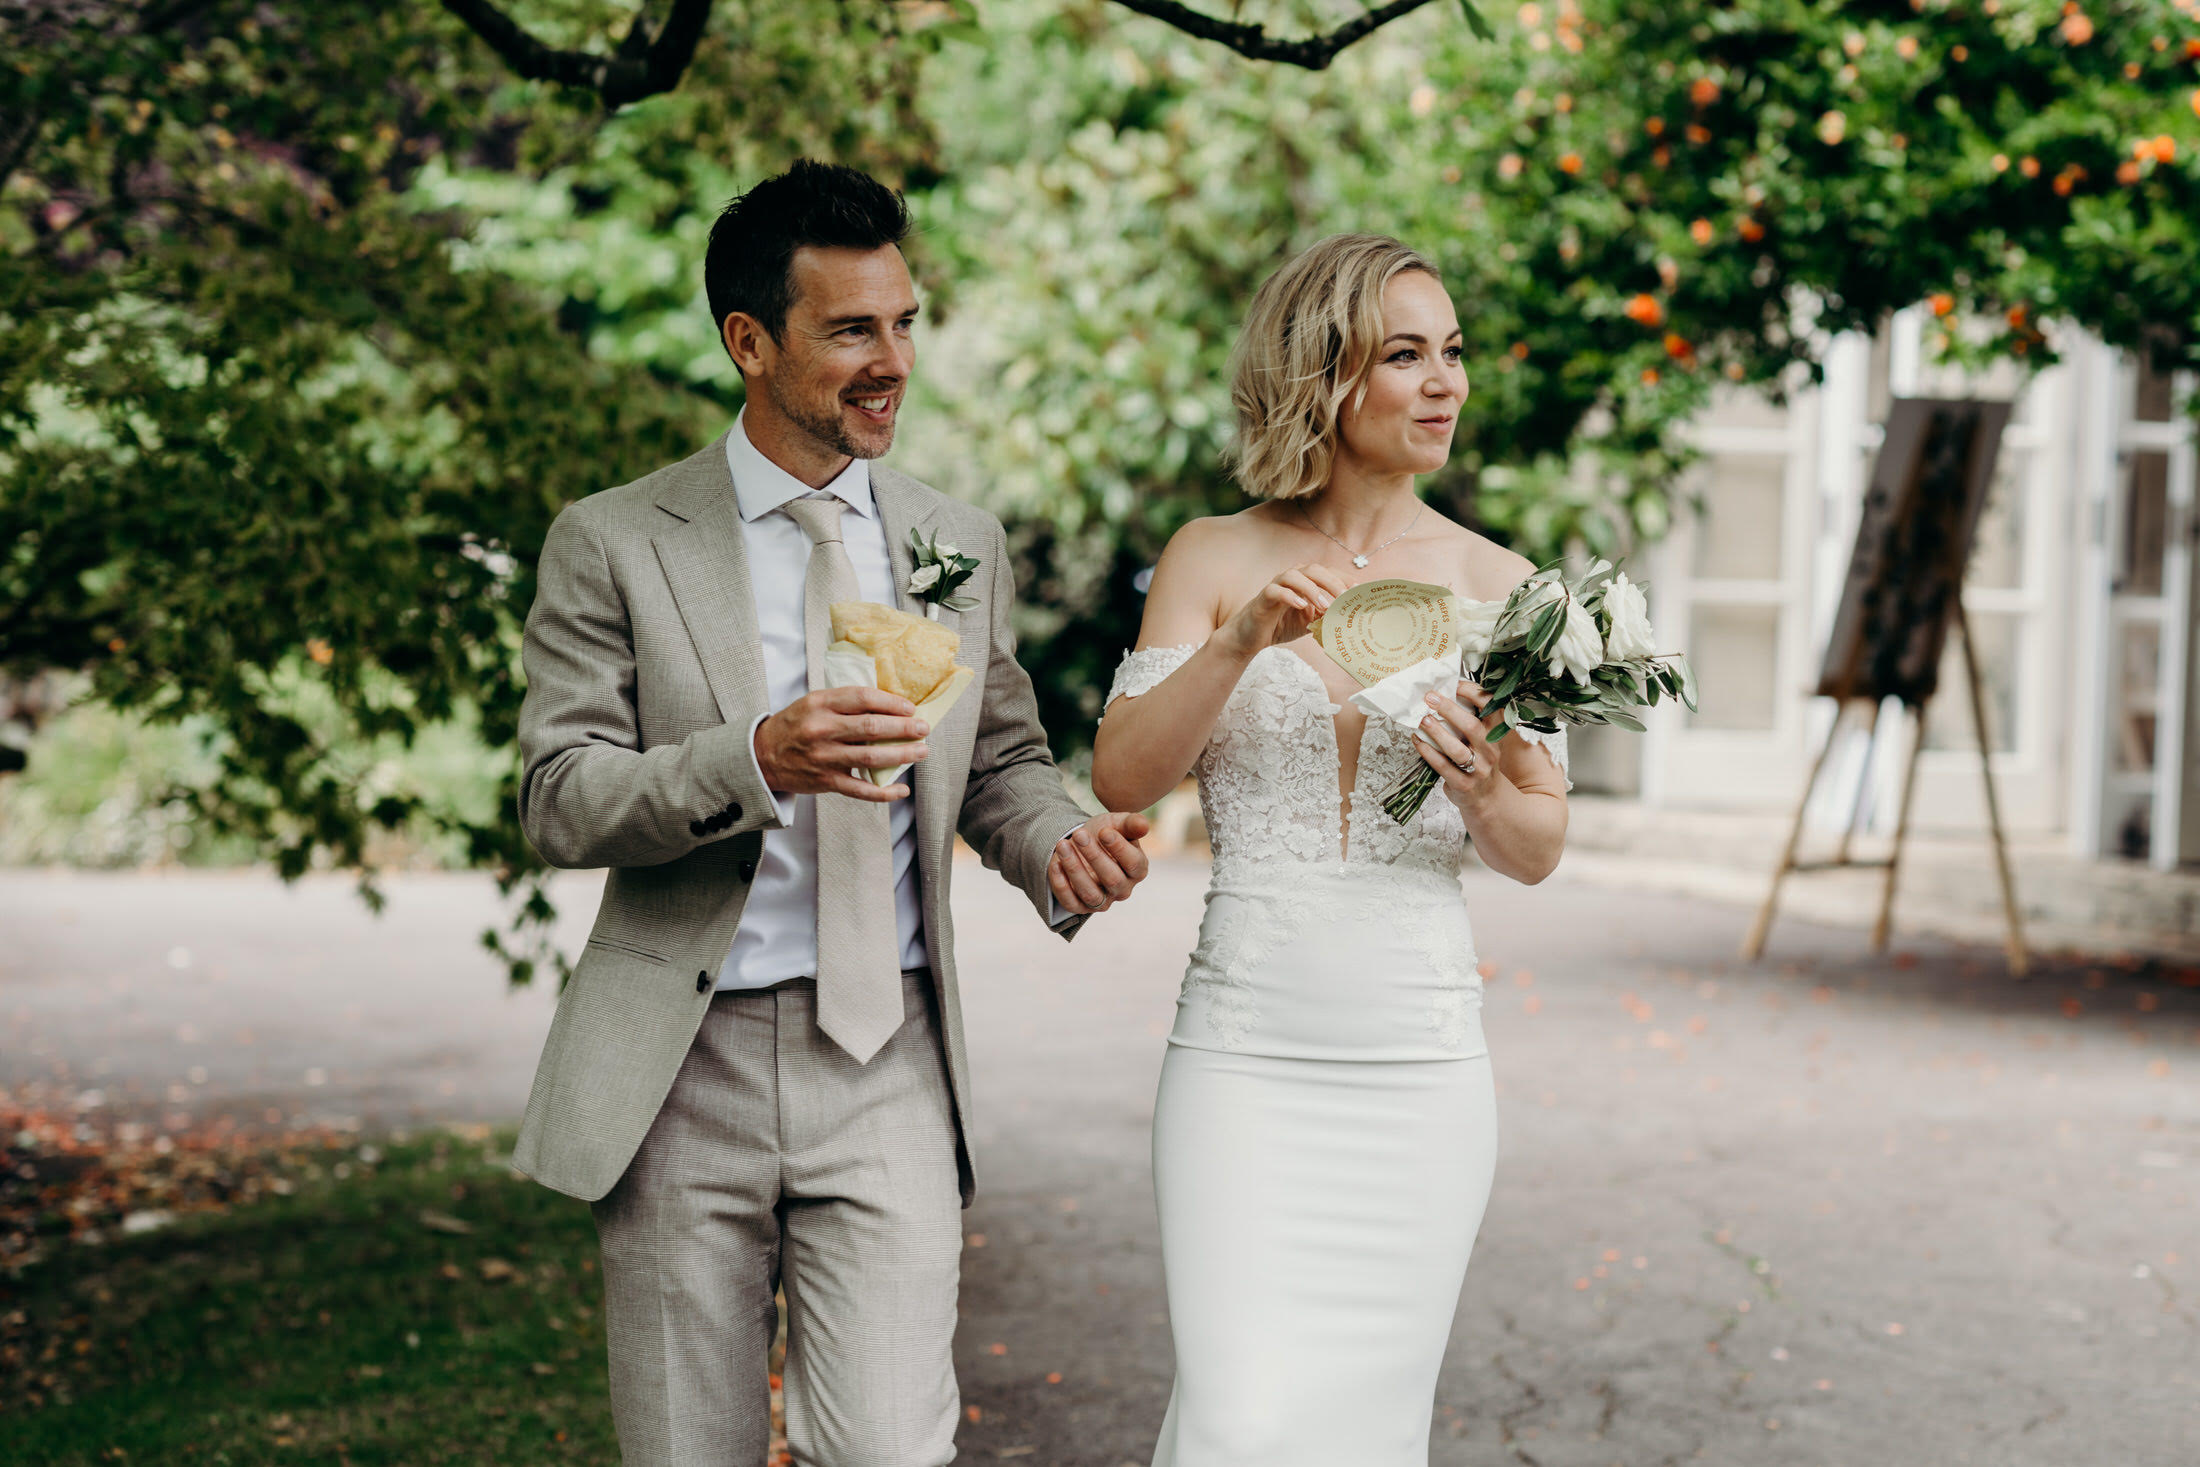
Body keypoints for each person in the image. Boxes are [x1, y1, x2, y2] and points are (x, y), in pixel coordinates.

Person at [511, 158, 1152, 1467]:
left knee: (891, 1449)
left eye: (905, 321)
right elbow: (558, 796)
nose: (892, 360)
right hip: (682, 1069)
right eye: (852, 329)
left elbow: (1001, 760)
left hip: (892, 1060)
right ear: (751, 341)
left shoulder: (952, 539)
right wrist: (752, 757)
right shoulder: (615, 539)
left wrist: (1058, 842)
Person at [1089, 233, 1572, 1465]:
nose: (1445, 383)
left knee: (1365, 1434)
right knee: (1240, 1420)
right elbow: (1123, 775)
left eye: (1451, 354)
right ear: (1323, 373)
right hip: (1243, 1062)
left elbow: (1536, 846)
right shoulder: (1212, 556)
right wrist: (1236, 642)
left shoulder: (1504, 586)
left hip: (1418, 1070)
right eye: (1405, 355)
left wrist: (1472, 785)